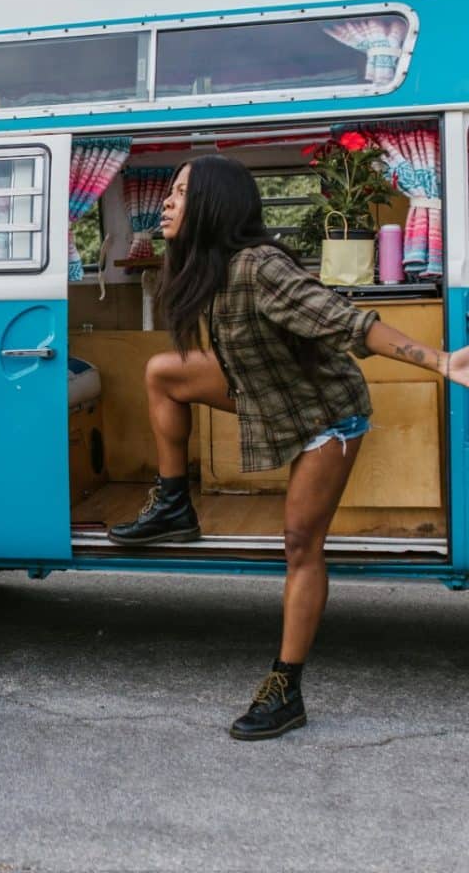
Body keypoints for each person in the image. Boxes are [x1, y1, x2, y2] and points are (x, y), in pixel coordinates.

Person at [107, 154, 469, 740]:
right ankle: (174, 504)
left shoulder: (259, 266)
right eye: (168, 193)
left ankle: (286, 687)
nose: (168, 203)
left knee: (300, 543)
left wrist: (438, 360)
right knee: (163, 372)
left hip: (326, 414)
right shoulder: (208, 266)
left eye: (179, 193)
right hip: (266, 388)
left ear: (213, 205)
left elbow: (346, 321)